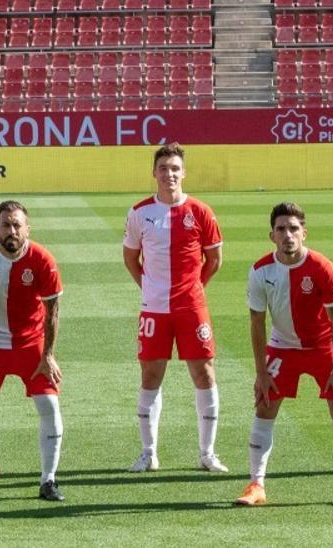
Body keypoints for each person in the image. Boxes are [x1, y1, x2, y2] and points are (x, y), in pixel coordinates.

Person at [236, 202, 333, 508]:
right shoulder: (260, 270)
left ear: (304, 233)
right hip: (282, 346)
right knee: (264, 406)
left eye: (293, 229)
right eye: (281, 229)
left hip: (322, 348)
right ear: (271, 235)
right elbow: (256, 322)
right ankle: (256, 484)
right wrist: (261, 371)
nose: (288, 235)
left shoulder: (322, 268)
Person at [121, 143, 228, 473]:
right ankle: (148, 452)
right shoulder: (140, 212)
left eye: (175, 168)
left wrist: (193, 289)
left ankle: (207, 453)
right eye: (164, 168)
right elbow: (130, 258)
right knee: (151, 376)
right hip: (154, 309)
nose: (169, 174)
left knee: (204, 373)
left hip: (191, 308)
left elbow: (214, 260)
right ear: (154, 173)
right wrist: (151, 288)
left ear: (183, 173)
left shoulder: (201, 212)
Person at [0, 201, 65, 503]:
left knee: (49, 406)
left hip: (31, 346)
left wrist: (48, 356)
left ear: (27, 229)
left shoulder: (43, 259)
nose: (12, 231)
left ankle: (48, 481)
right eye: (6, 225)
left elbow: (53, 311)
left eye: (17, 225)